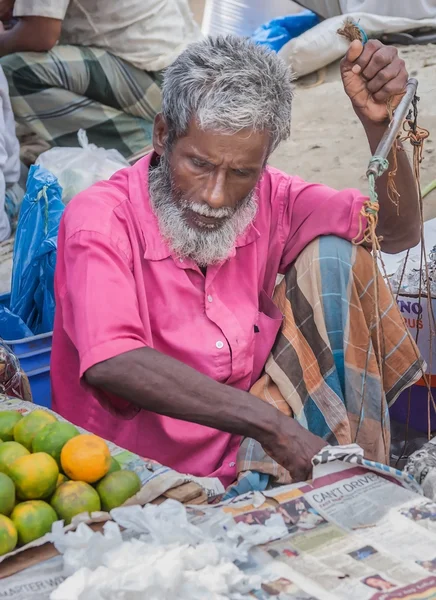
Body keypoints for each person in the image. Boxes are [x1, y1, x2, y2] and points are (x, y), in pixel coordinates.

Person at [51, 35, 424, 489]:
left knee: (337, 257)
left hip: (246, 448)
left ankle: (357, 469)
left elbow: (397, 233)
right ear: (163, 134)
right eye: (199, 164)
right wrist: (272, 426)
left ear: (264, 161)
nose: (215, 196)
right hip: (137, 472)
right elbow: (114, 360)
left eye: (241, 173)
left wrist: (380, 129)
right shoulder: (100, 220)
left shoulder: (273, 198)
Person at [0, 0, 201, 160]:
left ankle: (146, 144)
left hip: (163, 79)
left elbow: (40, 34)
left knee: (14, 72)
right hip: (187, 65)